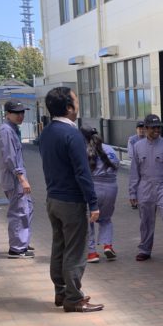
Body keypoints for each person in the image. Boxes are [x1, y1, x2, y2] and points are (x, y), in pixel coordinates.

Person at [39, 87, 103, 313]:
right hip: (71, 201)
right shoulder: (72, 134)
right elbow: (82, 173)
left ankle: (61, 291)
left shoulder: (47, 132)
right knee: (75, 250)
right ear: (68, 107)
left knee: (59, 246)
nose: (78, 104)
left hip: (53, 198)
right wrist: (93, 203)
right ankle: (74, 298)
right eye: (76, 100)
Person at [128, 114, 163, 268]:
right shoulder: (138, 146)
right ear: (146, 128)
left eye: (158, 127)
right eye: (153, 128)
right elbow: (134, 171)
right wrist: (132, 192)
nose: (157, 130)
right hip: (145, 186)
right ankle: (145, 249)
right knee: (145, 220)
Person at [0, 101, 34, 258]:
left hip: (18, 177)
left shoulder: (13, 129)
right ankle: (16, 248)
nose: (21, 116)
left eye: (22, 112)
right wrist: (21, 178)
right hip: (14, 179)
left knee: (27, 209)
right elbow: (10, 157)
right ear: (7, 113)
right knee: (19, 211)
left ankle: (23, 241)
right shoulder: (6, 131)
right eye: (16, 113)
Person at [82, 127, 120, 263]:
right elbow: (117, 165)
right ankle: (107, 245)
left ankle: (92, 253)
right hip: (111, 187)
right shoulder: (109, 149)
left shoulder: (84, 150)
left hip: (93, 187)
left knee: (89, 219)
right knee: (106, 219)